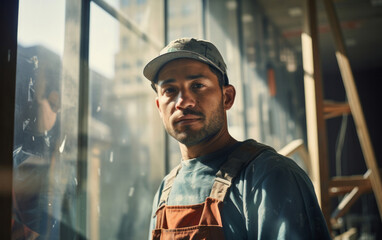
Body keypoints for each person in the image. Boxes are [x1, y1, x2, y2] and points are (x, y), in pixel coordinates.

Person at [143, 37, 332, 240]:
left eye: (197, 85)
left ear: (227, 98)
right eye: (170, 90)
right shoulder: (166, 191)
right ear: (159, 107)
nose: (183, 101)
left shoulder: (269, 176)